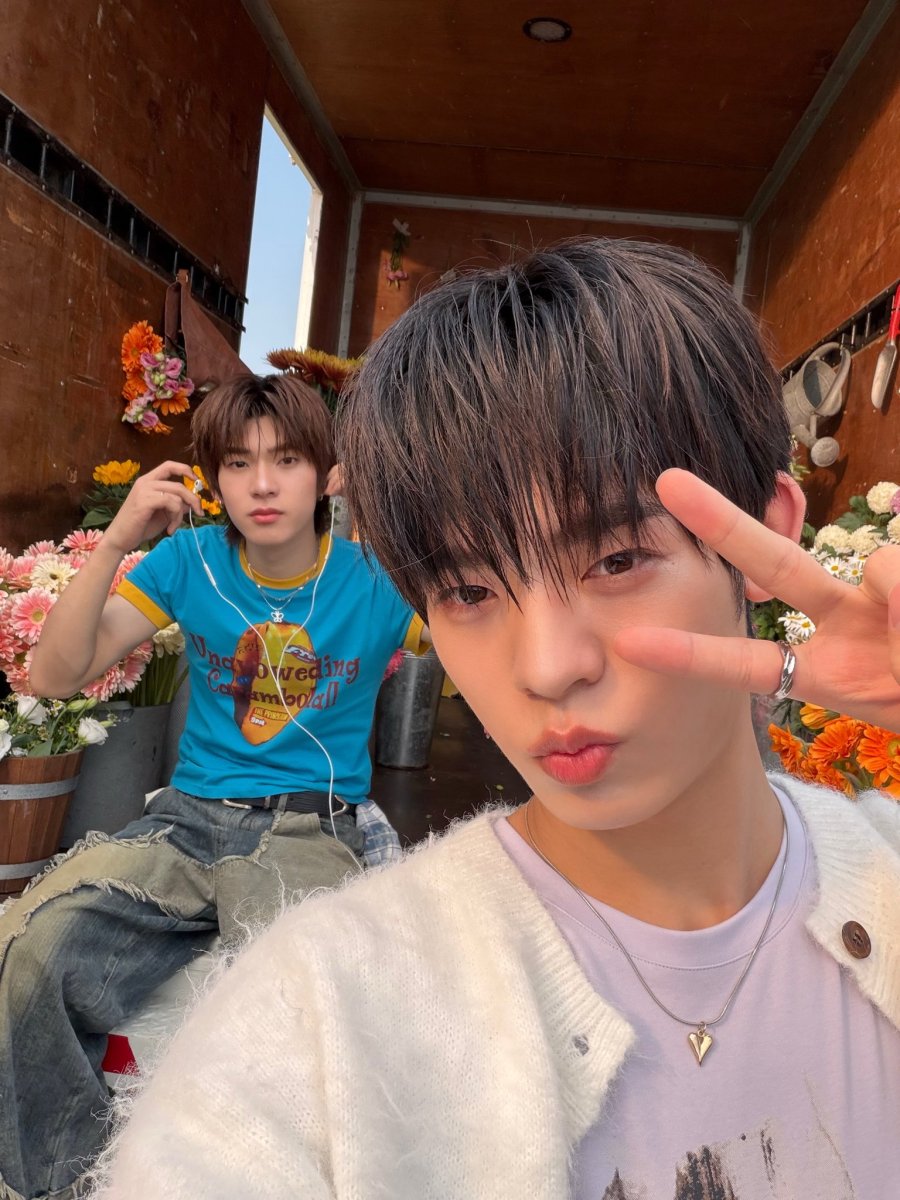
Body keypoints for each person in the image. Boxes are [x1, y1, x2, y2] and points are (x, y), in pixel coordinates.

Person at [93, 241, 900, 1199]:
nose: (547, 668)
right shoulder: (322, 1015)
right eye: (469, 591)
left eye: (615, 561)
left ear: (765, 533)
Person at [0, 373, 426, 1200]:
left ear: (326, 473)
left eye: (287, 459)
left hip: (309, 830)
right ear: (212, 478)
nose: (263, 484)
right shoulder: (187, 562)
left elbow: (485, 652)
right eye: (238, 463)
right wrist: (115, 543)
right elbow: (53, 676)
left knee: (305, 1020)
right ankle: (62, 1180)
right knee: (28, 951)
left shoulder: (379, 579)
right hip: (186, 825)